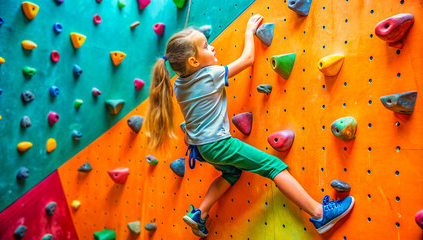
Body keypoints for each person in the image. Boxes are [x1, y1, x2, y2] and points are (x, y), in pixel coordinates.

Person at [144, 14, 355, 238]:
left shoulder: (178, 84)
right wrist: (248, 32)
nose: (212, 47)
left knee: (231, 173)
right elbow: (247, 60)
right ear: (194, 62)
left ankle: (200, 213)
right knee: (274, 166)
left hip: (202, 148)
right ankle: (320, 214)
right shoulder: (210, 75)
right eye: (206, 46)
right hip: (218, 144)